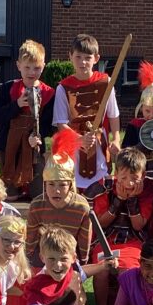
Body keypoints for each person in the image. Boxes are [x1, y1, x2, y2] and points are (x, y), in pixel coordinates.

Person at [90, 146, 153, 305]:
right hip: (106, 240)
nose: (128, 182)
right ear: (116, 173)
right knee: (101, 270)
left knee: (128, 271)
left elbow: (138, 225)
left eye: (134, 177)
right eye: (123, 176)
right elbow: (100, 223)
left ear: (142, 176)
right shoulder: (103, 190)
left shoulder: (146, 194)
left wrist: (132, 200)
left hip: (133, 243)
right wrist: (118, 200)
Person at [53, 33, 121, 199]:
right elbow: (61, 123)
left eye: (87, 57)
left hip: (99, 144)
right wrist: (79, 139)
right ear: (70, 57)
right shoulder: (63, 88)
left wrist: (116, 139)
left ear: (96, 58)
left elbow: (113, 115)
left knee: (100, 194)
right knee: (74, 194)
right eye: (78, 57)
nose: (83, 62)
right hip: (74, 147)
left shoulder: (106, 83)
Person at [0, 39, 55, 201]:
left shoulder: (49, 93)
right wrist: (17, 105)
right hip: (9, 151)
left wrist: (39, 136)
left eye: (37, 68)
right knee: (10, 196)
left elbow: (50, 125)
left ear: (44, 66)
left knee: (39, 196)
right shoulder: (9, 88)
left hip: (34, 151)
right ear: (18, 65)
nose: (31, 72)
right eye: (27, 67)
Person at [25, 127, 92, 268]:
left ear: (70, 184)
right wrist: (28, 258)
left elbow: (84, 240)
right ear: (45, 184)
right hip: (42, 257)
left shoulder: (81, 207)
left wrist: (82, 261)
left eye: (62, 185)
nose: (56, 190)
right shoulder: (37, 205)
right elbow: (30, 240)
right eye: (51, 184)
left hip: (69, 257)